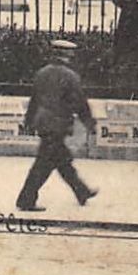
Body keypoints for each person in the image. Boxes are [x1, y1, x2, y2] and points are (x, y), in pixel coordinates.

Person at [16, 39, 98, 211]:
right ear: (68, 55)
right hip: (58, 125)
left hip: (43, 123)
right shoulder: (70, 76)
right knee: (44, 165)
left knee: (62, 161)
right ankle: (25, 200)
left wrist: (29, 121)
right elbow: (80, 103)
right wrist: (89, 122)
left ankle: (81, 192)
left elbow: (34, 100)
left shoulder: (41, 73)